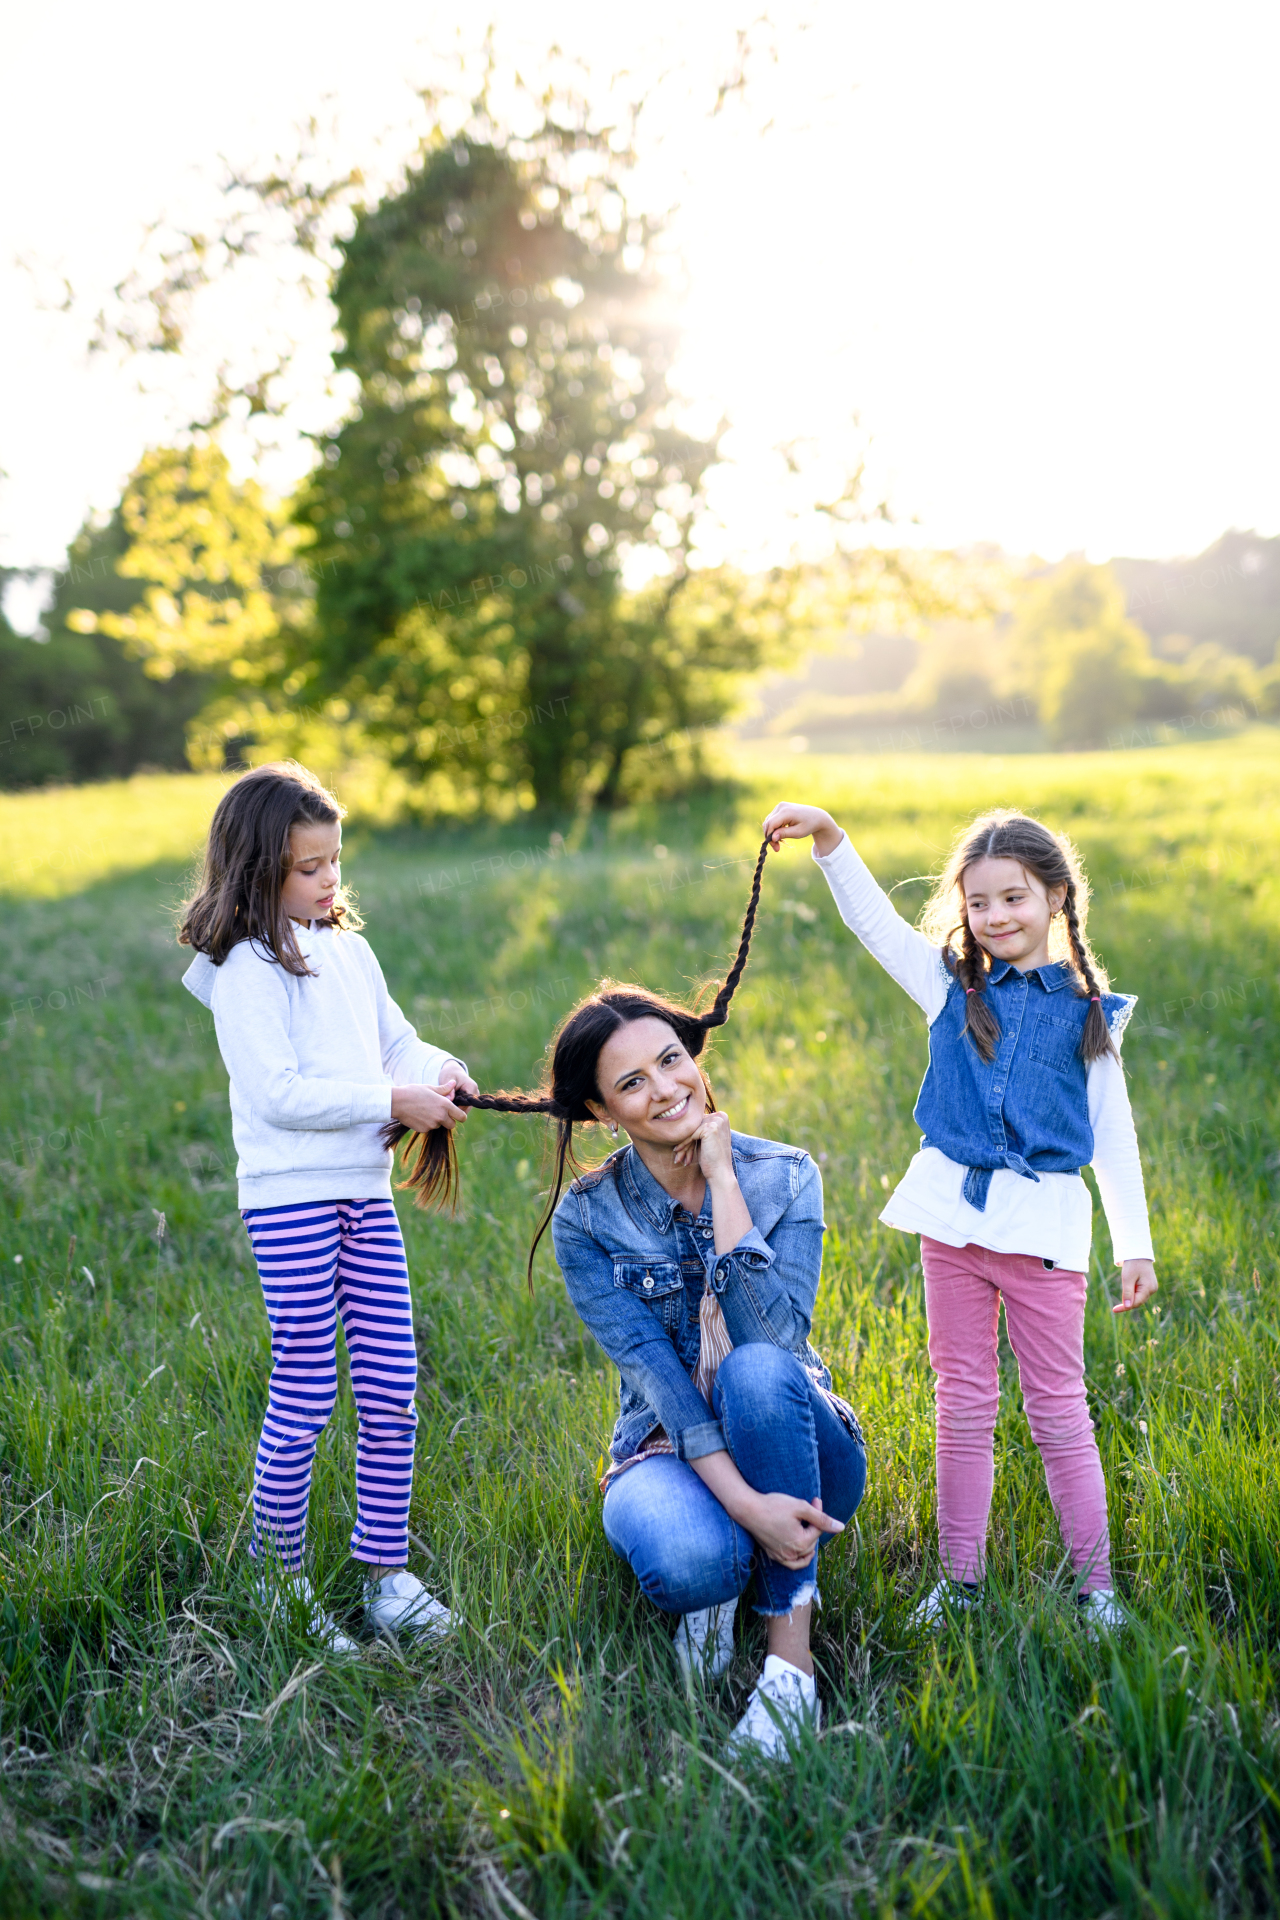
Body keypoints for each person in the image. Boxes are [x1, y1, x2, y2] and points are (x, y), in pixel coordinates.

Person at [386, 843, 868, 1762]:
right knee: (691, 1564)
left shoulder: (785, 1174)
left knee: (764, 1371)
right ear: (603, 1113)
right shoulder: (587, 1219)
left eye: (672, 1059)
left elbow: (774, 1338)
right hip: (668, 1446)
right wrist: (750, 1507)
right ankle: (737, 1566)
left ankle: (789, 1667)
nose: (668, 1088)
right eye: (632, 1083)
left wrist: (725, 1182)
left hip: (802, 1439)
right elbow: (664, 1387)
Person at [761, 801, 1157, 1634]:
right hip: (953, 1225)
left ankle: (1098, 1592)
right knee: (964, 1401)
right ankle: (960, 1581)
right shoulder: (948, 987)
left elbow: (1113, 1137)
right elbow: (875, 925)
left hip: (1044, 1237)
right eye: (979, 903)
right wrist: (830, 840)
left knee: (1058, 1410)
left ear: (1056, 897)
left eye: (1013, 897)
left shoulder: (1091, 1014)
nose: (996, 916)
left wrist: (1135, 1245)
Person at [179, 762, 475, 1651]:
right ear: (257, 868)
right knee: (306, 1388)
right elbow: (278, 1093)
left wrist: (437, 1071)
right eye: (309, 868)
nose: (329, 881)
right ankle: (279, 1580)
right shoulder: (244, 968)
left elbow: (395, 1040)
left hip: (361, 1195)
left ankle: (385, 1573)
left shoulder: (346, 946)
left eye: (335, 862)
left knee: (392, 1386)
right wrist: (391, 1102)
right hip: (292, 1202)